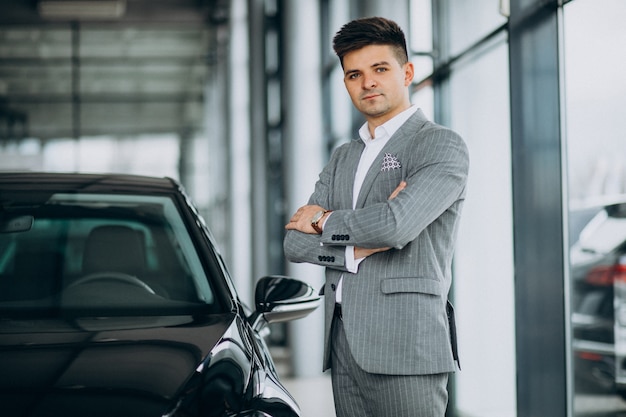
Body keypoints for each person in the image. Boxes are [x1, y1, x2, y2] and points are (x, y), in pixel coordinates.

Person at [283, 16, 469, 417]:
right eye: (354, 74)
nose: (367, 82)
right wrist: (357, 251)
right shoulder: (343, 157)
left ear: (407, 72)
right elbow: (293, 243)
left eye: (380, 69)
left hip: (406, 345)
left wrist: (322, 220)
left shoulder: (438, 144)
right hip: (343, 341)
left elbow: (396, 225)